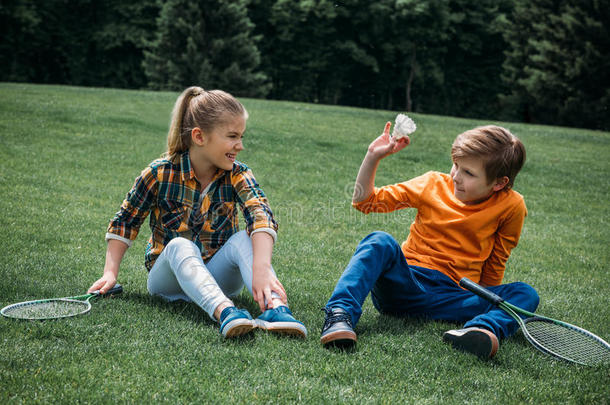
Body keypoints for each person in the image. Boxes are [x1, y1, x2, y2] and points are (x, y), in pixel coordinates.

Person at [88, 86, 306, 339]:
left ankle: (276, 309)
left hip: (219, 276)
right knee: (180, 245)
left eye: (242, 137)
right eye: (232, 136)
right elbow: (126, 221)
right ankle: (226, 313)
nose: (240, 146)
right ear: (199, 137)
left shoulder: (238, 173)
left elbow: (261, 214)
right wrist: (110, 273)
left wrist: (261, 266)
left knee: (246, 238)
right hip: (169, 284)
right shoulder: (160, 173)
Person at [320, 122, 539, 358]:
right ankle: (340, 314)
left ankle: (481, 330)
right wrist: (373, 156)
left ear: (498, 183)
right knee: (378, 241)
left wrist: (484, 299)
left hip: (454, 296)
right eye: (456, 165)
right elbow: (366, 202)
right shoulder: (432, 183)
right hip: (406, 286)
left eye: (469, 173)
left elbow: (497, 258)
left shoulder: (512, 205)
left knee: (526, 294)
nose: (456, 176)